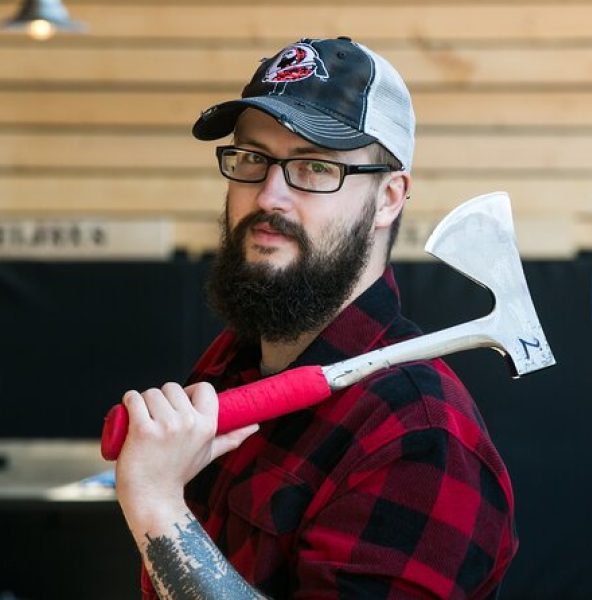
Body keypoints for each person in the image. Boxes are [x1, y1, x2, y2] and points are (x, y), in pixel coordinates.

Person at [115, 36, 518, 599]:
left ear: (388, 197)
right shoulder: (233, 363)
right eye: (253, 159)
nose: (268, 197)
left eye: (313, 166)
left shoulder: (421, 438)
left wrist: (159, 509)